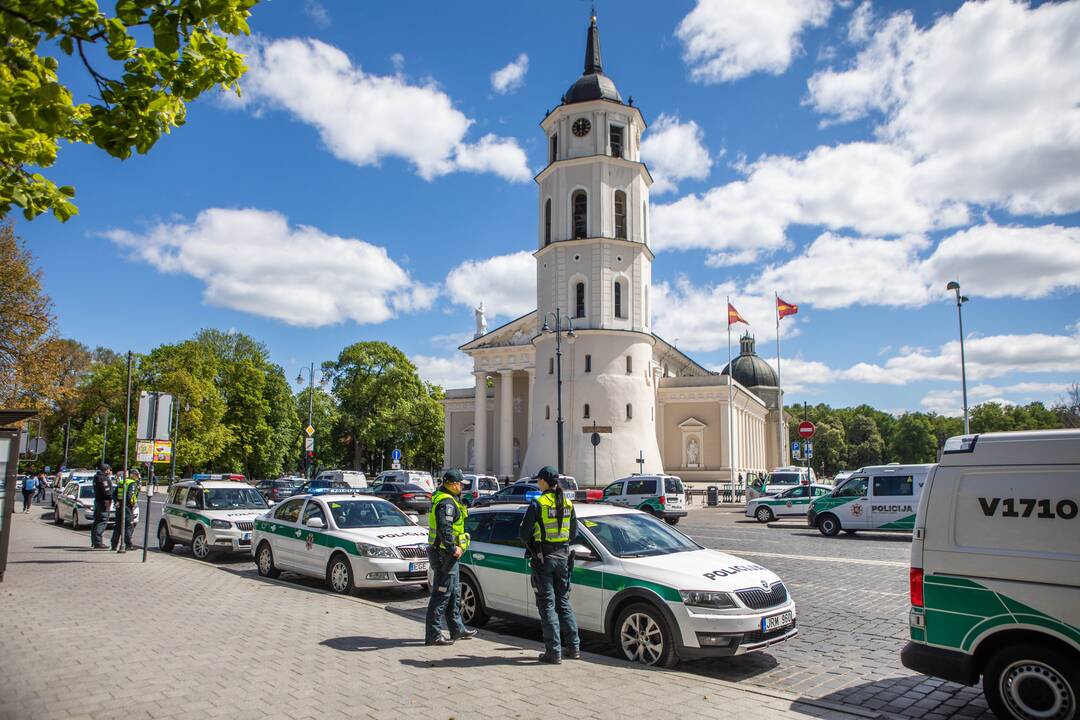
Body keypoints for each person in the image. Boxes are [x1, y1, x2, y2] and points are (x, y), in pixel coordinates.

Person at [518, 466, 580, 664]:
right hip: (563, 557)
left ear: (544, 481)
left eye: (539, 480)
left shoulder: (539, 503)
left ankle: (553, 652)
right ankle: (573, 647)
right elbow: (573, 534)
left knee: (547, 605)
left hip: (544, 558)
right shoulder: (568, 503)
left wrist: (535, 543)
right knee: (563, 602)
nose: (537, 483)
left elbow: (523, 534)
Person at [424, 468, 477, 646]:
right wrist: (453, 547)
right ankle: (433, 634)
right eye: (461, 484)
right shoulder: (446, 502)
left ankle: (457, 629)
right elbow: (444, 527)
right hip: (444, 554)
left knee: (453, 592)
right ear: (453, 484)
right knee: (441, 594)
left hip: (446, 553)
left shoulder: (447, 498)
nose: (462, 486)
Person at [111, 468, 140, 552]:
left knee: (118, 526)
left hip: (119, 506)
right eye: (136, 475)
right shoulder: (132, 483)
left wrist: (117, 502)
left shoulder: (122, 482)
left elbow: (114, 494)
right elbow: (130, 495)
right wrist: (132, 504)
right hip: (127, 507)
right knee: (129, 525)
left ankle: (114, 545)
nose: (137, 477)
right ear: (132, 475)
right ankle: (128, 545)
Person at [91, 463, 114, 549]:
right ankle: (98, 542)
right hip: (104, 502)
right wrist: (113, 496)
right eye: (109, 470)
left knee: (97, 521)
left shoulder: (97, 477)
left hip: (98, 501)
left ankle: (94, 541)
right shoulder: (103, 478)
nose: (110, 471)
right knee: (102, 521)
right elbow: (107, 492)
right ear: (106, 470)